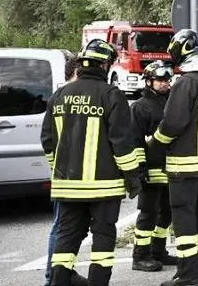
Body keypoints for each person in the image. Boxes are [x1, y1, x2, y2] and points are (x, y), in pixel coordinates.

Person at [41, 39, 142, 286]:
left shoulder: (59, 95)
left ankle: (58, 282)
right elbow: (121, 144)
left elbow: (47, 141)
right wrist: (132, 178)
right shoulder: (111, 95)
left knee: (66, 240)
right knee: (103, 241)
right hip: (104, 188)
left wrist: (59, 171)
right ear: (105, 65)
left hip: (68, 187)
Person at [150, 29, 198, 286]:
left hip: (183, 165)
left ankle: (188, 276)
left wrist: (155, 144)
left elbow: (172, 123)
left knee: (184, 220)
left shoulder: (185, 83)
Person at [131, 61, 180, 272]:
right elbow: (135, 141)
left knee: (166, 213)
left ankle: (158, 251)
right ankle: (140, 256)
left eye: (167, 80)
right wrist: (140, 170)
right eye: (160, 80)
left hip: (170, 169)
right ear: (149, 81)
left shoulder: (171, 103)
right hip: (150, 170)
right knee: (147, 214)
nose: (165, 84)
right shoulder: (140, 107)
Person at [44, 51, 88, 286]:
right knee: (61, 227)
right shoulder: (63, 98)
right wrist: (58, 170)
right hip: (69, 178)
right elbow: (49, 140)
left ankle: (64, 273)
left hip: (78, 177)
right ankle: (54, 277)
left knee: (70, 229)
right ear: (74, 75)